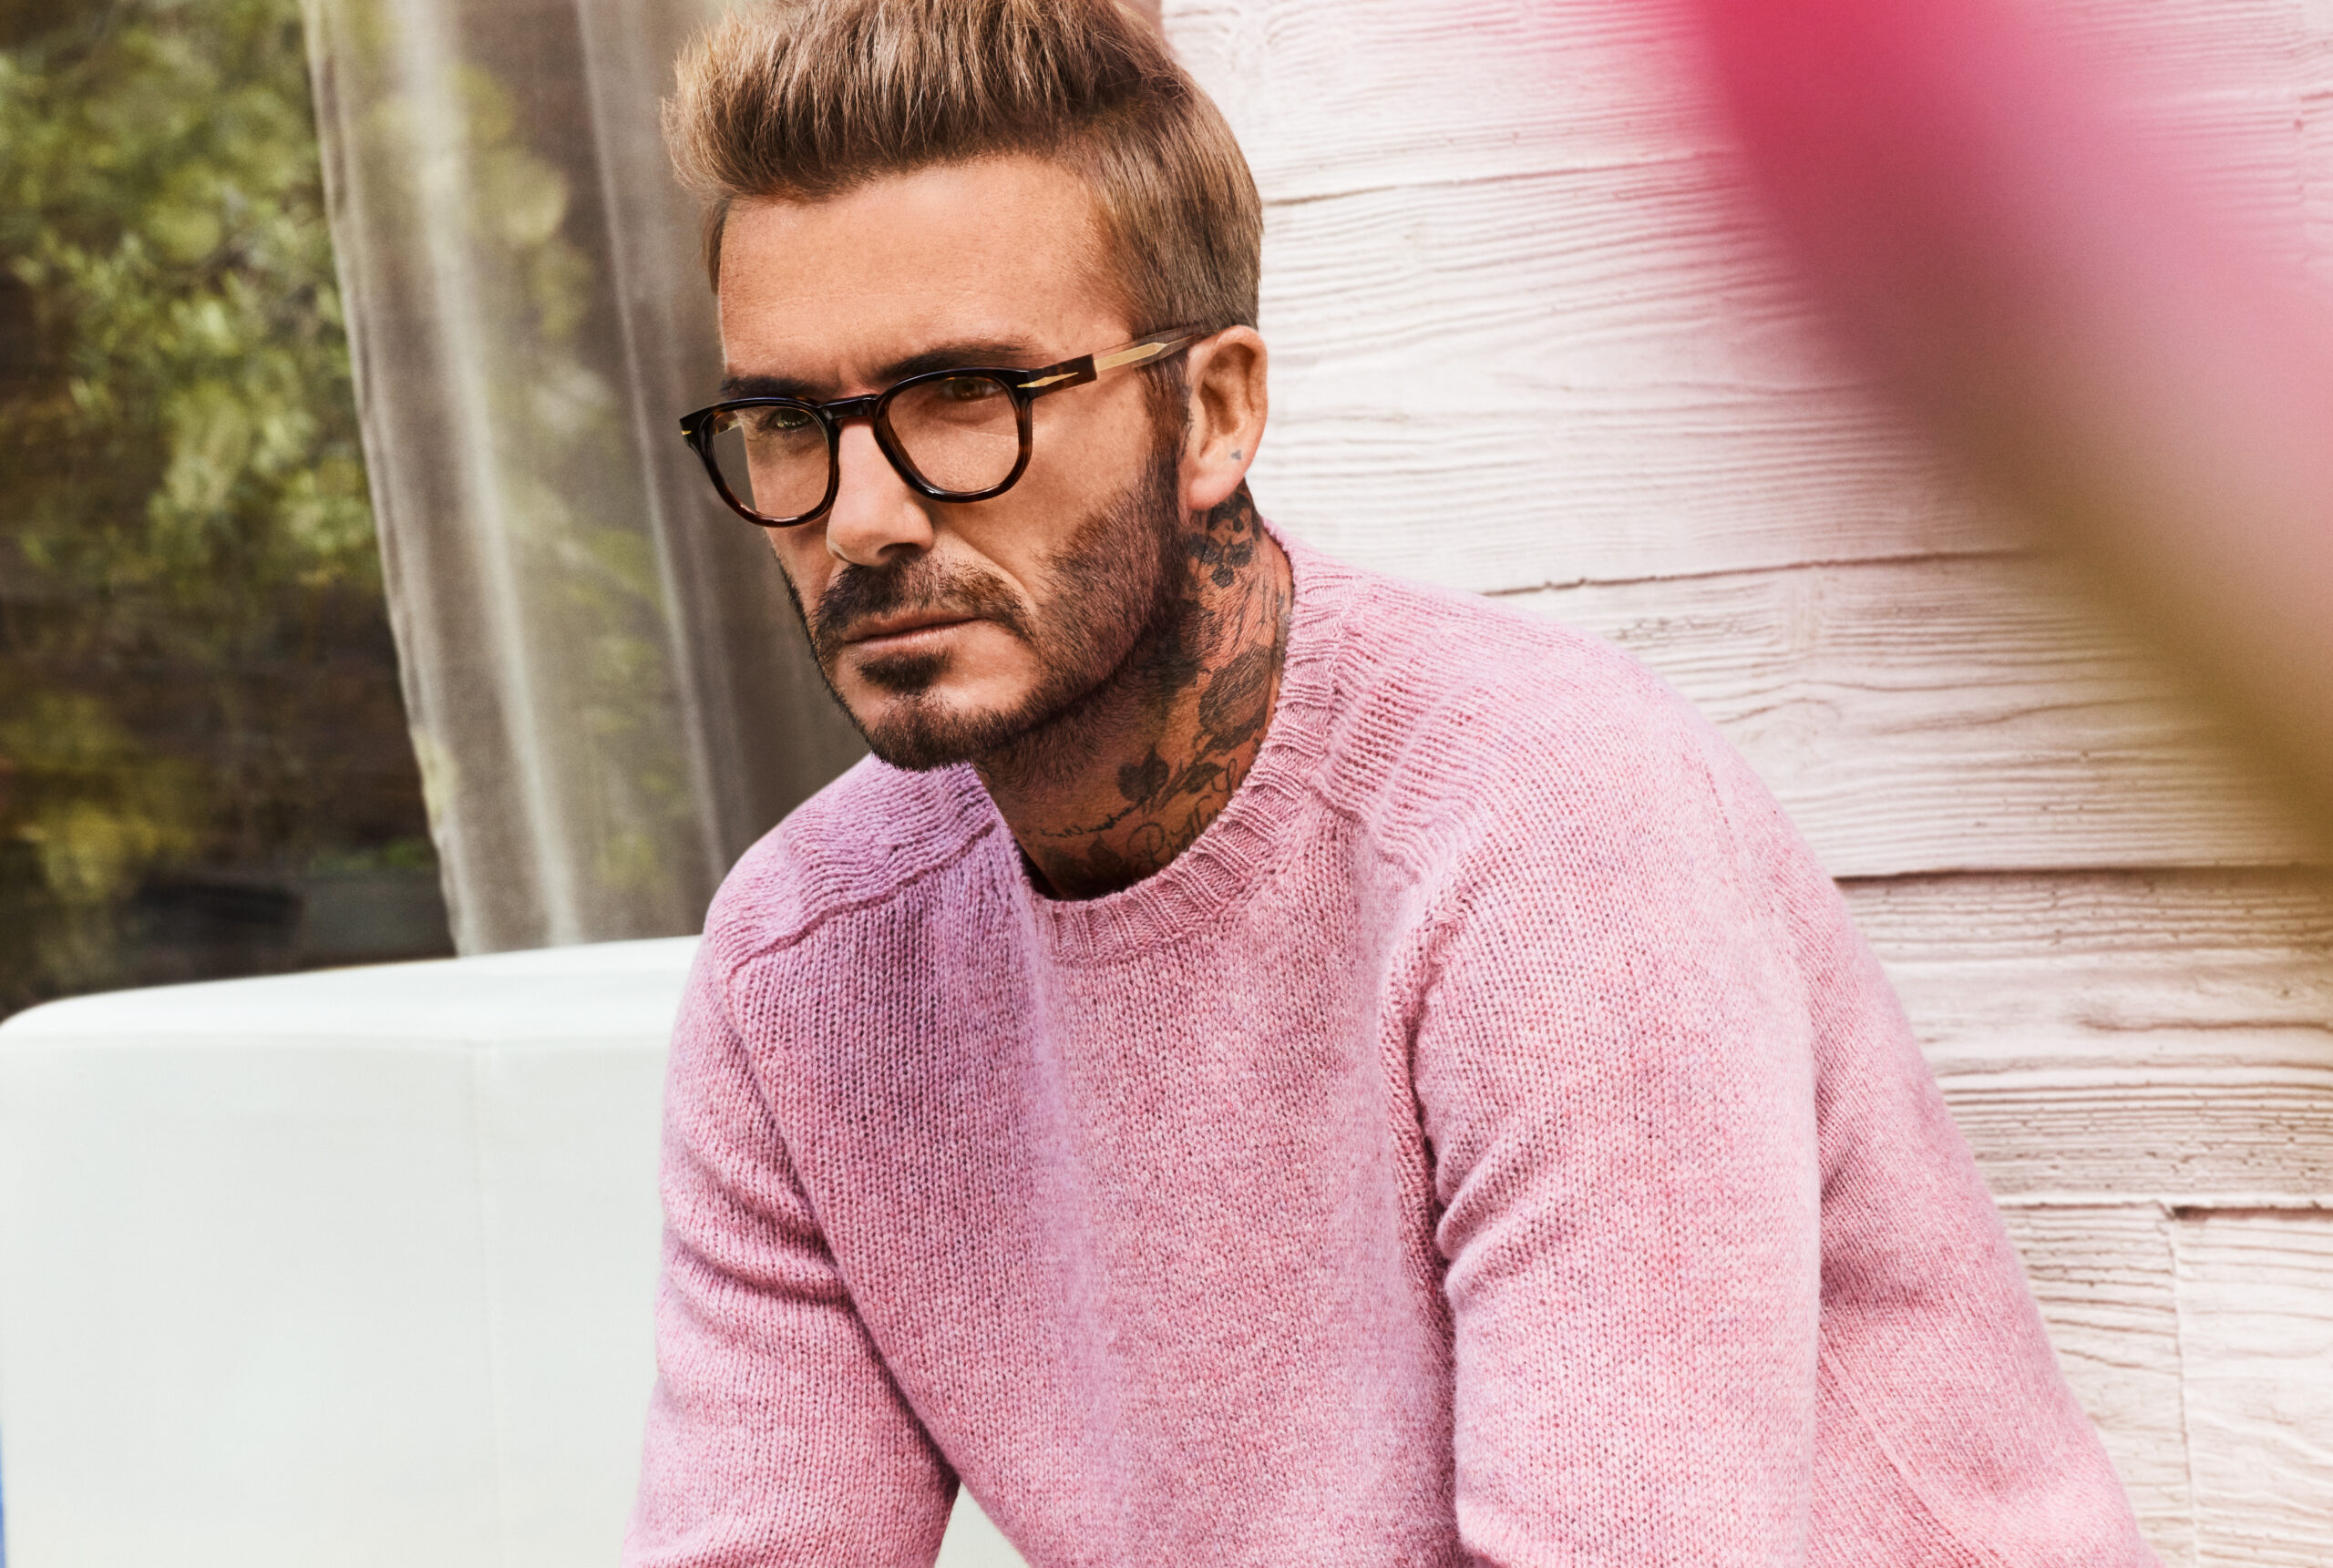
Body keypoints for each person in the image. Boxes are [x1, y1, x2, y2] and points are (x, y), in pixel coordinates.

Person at [625, 2, 2157, 1563]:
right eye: (786, 422)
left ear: (1214, 411)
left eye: (969, 395)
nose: (862, 517)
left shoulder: (1547, 834)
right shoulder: (801, 969)